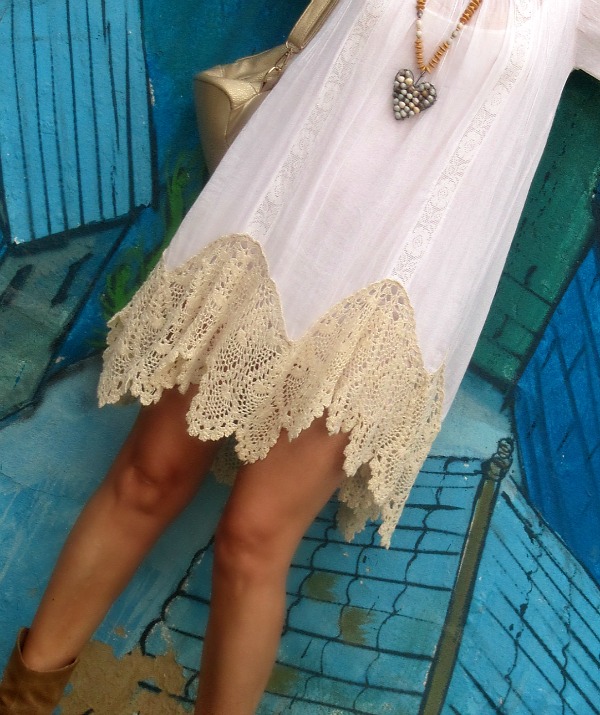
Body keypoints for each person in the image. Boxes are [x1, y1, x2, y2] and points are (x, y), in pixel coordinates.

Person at [1, 0, 599, 713]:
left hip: (394, 296)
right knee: (148, 474)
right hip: (271, 225)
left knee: (253, 538)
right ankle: (22, 699)